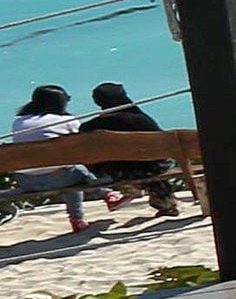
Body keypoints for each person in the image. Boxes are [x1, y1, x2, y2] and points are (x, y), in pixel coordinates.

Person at [76, 84, 187, 222]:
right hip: (152, 168)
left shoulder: (90, 126)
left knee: (130, 164)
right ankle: (165, 201)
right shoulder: (142, 120)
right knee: (151, 163)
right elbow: (164, 146)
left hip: (116, 172)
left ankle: (146, 194)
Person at [8, 85, 98, 240]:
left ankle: (92, 208)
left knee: (65, 170)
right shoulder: (67, 120)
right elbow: (83, 144)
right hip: (60, 177)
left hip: (26, 181)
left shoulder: (19, 122)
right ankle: (100, 200)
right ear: (60, 102)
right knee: (72, 172)